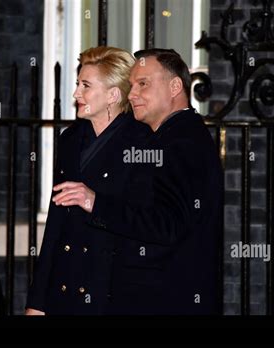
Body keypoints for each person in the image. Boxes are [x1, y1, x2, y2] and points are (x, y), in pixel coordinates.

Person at [55, 48, 223, 315]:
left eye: (143, 84)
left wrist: (95, 202)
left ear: (175, 86)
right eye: (131, 85)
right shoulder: (169, 137)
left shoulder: (182, 141)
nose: (132, 94)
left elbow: (168, 225)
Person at [25, 46, 151, 315]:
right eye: (77, 84)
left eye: (85, 86)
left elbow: (146, 222)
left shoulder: (142, 142)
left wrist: (95, 201)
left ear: (113, 95)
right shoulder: (70, 140)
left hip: (111, 290)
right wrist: (37, 302)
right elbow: (55, 225)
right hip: (65, 287)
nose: (75, 94)